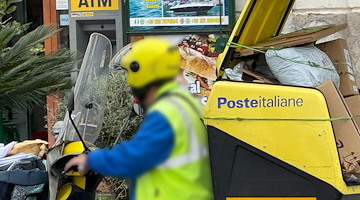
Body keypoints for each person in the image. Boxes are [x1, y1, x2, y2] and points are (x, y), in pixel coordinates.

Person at [64, 38, 213, 200]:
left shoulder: (168, 110)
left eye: (130, 73)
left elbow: (136, 156)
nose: (128, 81)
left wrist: (91, 160)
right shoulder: (184, 103)